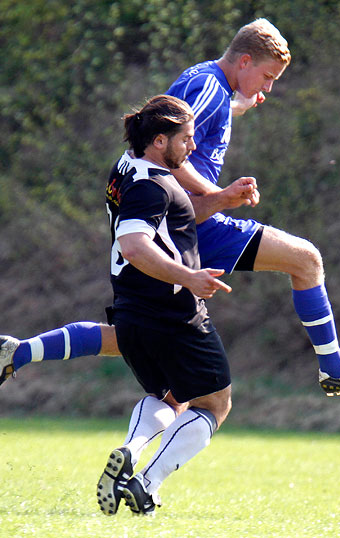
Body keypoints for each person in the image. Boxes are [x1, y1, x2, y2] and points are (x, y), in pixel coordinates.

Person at [0, 18, 340, 409]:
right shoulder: (209, 89)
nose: (268, 86)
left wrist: (241, 104)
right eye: (267, 76)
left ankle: (20, 354)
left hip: (170, 225)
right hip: (192, 224)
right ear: (244, 60)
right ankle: (334, 369)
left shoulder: (208, 83)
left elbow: (196, 123)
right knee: (306, 260)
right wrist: (218, 193)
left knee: (136, 341)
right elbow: (172, 151)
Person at [97, 94, 232, 516]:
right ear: (159, 141)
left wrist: (225, 199)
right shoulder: (151, 186)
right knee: (215, 403)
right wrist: (189, 277)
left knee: (169, 397)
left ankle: (132, 448)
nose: (192, 148)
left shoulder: (128, 166)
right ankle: (146, 483)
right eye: (186, 139)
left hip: (132, 312)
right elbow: (135, 245)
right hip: (172, 313)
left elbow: (178, 216)